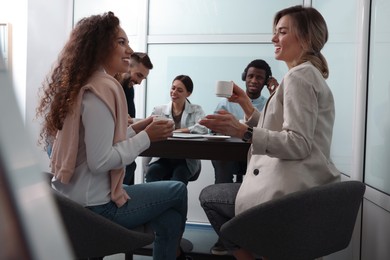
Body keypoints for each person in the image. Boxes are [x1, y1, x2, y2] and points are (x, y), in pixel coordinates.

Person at [36, 12, 191, 260]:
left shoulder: (80, 84)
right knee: (177, 190)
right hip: (96, 209)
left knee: (169, 217)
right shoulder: (103, 88)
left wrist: (136, 129)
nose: (129, 49)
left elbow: (95, 144)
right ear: (99, 46)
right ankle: (174, 251)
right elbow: (100, 161)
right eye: (121, 42)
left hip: (68, 202)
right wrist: (147, 138)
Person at [198, 5, 341, 260]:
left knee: (210, 197)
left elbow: (298, 143)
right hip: (301, 184)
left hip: (287, 193)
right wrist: (246, 106)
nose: (274, 38)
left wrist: (243, 131)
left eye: (282, 32)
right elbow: (278, 126)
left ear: (306, 38)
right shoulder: (307, 75)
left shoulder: (299, 77)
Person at [209, 59, 278, 255]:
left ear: (265, 81)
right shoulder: (225, 102)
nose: (254, 80)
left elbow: (272, 132)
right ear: (244, 78)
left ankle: (250, 235)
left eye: (259, 77)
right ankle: (224, 237)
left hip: (256, 159)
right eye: (250, 76)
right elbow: (212, 127)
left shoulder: (269, 104)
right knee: (221, 168)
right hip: (229, 157)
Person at [144, 75, 209, 185]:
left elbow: (204, 128)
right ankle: (155, 201)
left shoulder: (196, 110)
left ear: (188, 94)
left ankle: (174, 202)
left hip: (186, 160)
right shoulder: (159, 110)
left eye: (179, 90)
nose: (174, 92)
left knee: (178, 178)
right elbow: (149, 129)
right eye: (173, 88)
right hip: (163, 157)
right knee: (152, 173)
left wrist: (180, 131)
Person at [117, 52, 153, 185]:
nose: (139, 82)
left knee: (131, 165)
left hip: (119, 139)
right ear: (127, 65)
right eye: (139, 75)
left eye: (143, 78)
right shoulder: (108, 86)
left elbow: (129, 119)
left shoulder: (128, 88)